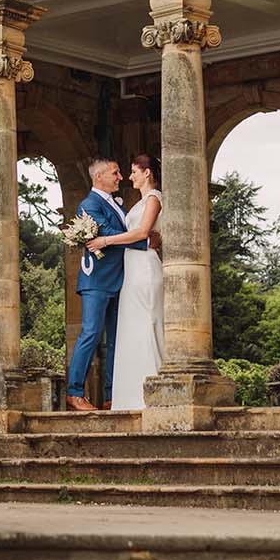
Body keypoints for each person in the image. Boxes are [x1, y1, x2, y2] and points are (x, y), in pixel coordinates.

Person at [66, 157, 149, 411]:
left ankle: (112, 395)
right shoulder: (89, 204)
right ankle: (75, 392)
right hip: (97, 280)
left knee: (116, 338)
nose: (120, 177)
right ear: (99, 177)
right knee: (90, 333)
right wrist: (143, 241)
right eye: (115, 173)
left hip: (120, 279)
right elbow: (107, 233)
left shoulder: (114, 203)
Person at [90, 154, 164, 411]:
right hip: (131, 268)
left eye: (133, 171)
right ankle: (130, 396)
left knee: (146, 322)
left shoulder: (154, 198)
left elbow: (143, 233)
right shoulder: (137, 203)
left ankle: (154, 393)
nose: (129, 177)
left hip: (144, 266)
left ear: (147, 173)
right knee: (131, 329)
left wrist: (105, 241)